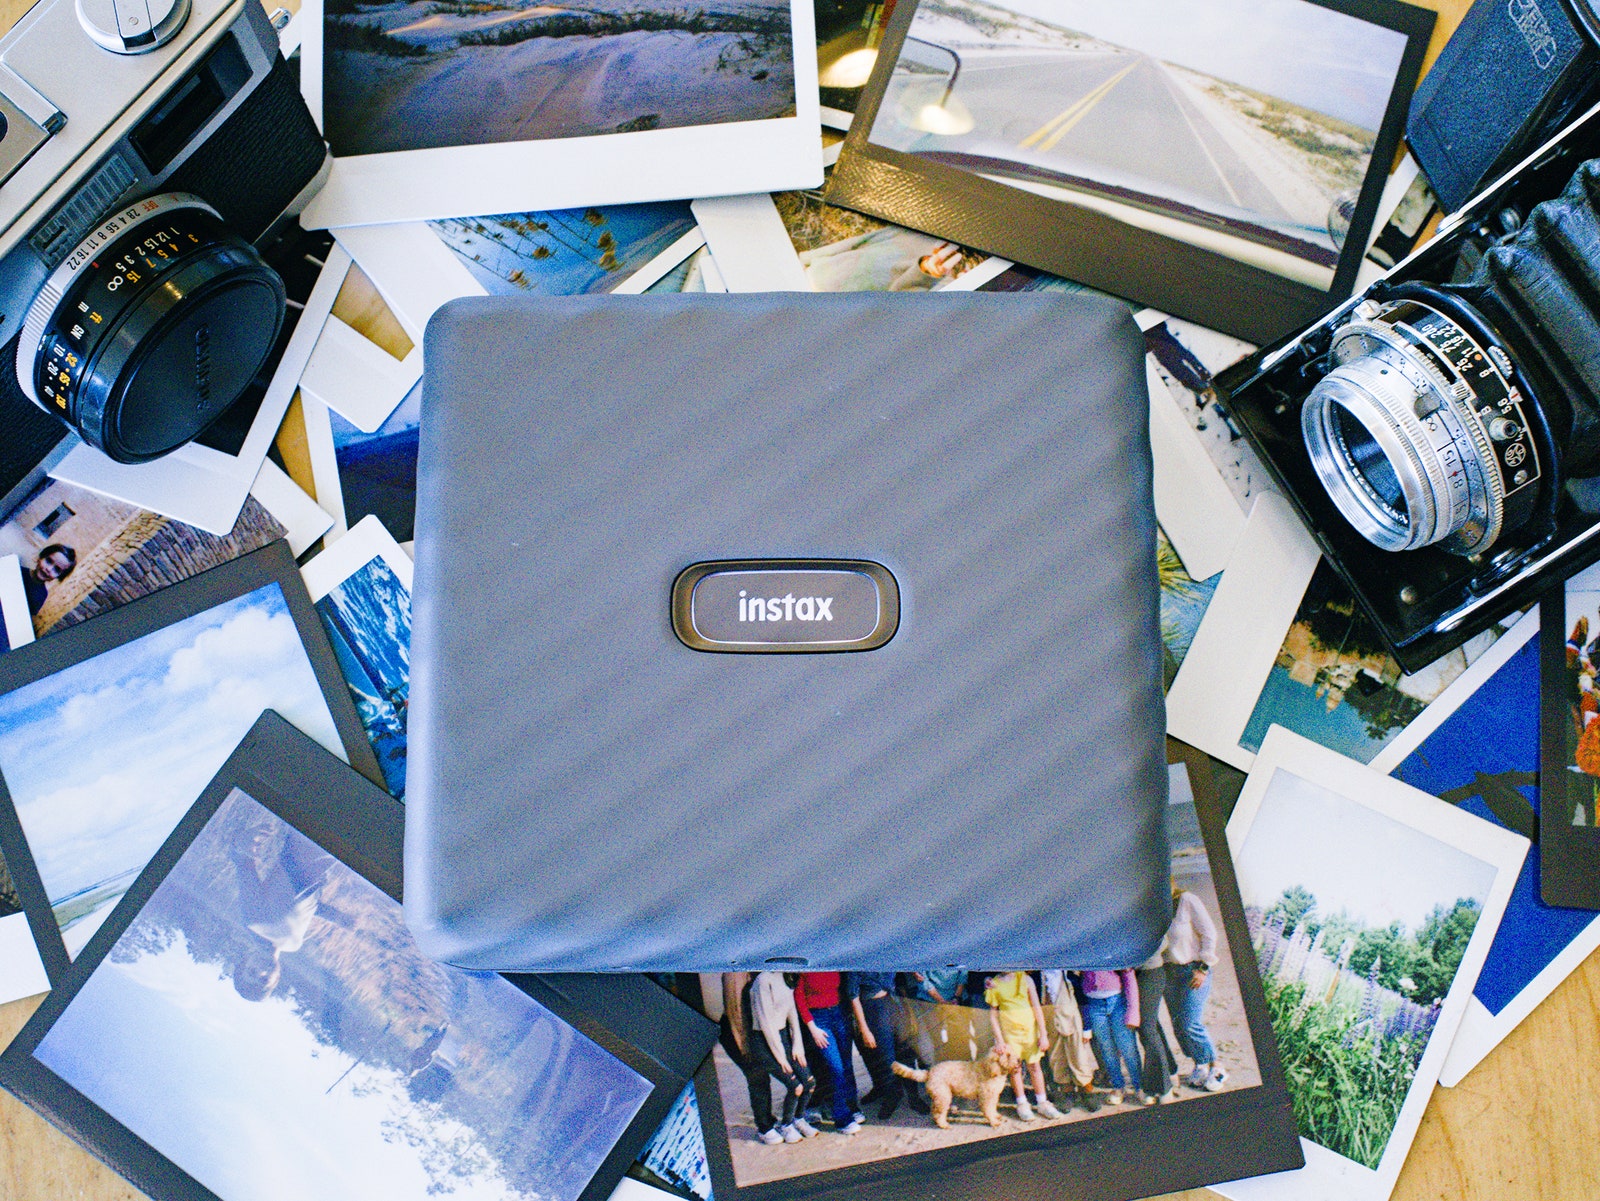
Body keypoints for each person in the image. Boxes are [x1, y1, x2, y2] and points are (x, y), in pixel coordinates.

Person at [228, 830, 336, 1002]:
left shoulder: (253, 921)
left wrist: (246, 842)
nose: (262, 971)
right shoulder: (293, 945)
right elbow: (305, 905)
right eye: (264, 979)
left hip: (306, 838)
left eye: (252, 971)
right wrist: (338, 917)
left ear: (245, 960)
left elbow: (242, 863)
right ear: (276, 978)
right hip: (331, 857)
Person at [1164, 883, 1228, 1092]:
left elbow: (1209, 934)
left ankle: (1217, 1067)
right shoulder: (1156, 907)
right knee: (1178, 1025)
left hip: (1193, 970)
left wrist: (1203, 967)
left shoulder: (1187, 900)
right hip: (1169, 972)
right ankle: (1200, 1065)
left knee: (1190, 1022)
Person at [981, 971, 1062, 1121]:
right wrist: (999, 1040)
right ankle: (1022, 1103)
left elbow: (1037, 1007)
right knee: (1015, 1069)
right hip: (1009, 1034)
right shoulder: (995, 984)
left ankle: (1042, 1102)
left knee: (1035, 1067)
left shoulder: (1026, 979)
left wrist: (1043, 1034)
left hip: (1029, 1031)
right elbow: (993, 1015)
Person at [749, 971, 818, 1144]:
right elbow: (766, 1023)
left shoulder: (787, 976)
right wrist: (781, 1058)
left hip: (784, 1036)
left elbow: (792, 1012)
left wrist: (797, 1045)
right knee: (795, 1086)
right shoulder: (763, 980)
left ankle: (798, 1119)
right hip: (764, 1041)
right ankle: (785, 1125)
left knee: (809, 1082)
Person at [793, 972, 863, 1134]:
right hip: (818, 1019)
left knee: (846, 1065)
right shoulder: (805, 967)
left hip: (839, 1014)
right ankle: (842, 1118)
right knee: (835, 1067)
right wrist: (813, 1028)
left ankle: (851, 1106)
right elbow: (799, 998)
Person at [1078, 968, 1144, 1105]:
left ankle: (1140, 1086)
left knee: (1128, 1048)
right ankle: (1118, 1086)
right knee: (1107, 1049)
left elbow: (1128, 973)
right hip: (1094, 1003)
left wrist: (1133, 1011)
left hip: (1117, 1001)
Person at [1039, 970, 1102, 1112]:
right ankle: (1067, 1091)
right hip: (1049, 1017)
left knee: (1078, 1055)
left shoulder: (1069, 975)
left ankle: (1086, 1089)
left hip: (1071, 1018)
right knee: (1056, 1057)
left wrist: (1087, 1027)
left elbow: (1082, 1000)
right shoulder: (1037, 977)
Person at [844, 971, 905, 1119]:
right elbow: (853, 997)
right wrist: (864, 1029)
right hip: (868, 1008)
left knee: (886, 1054)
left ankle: (892, 1094)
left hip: (888, 1003)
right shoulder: (855, 963)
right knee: (870, 1052)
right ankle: (880, 1088)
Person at [22, 543, 75, 617]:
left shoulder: (41, 596)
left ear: (59, 576)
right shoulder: (17, 570)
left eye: (57, 569)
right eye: (49, 561)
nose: (49, 569)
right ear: (41, 557)